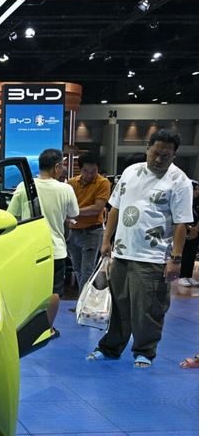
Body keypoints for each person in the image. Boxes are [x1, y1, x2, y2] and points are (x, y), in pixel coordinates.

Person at [88, 129, 193, 368]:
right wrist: (107, 239)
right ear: (148, 148)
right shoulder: (130, 172)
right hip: (123, 252)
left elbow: (181, 223)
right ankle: (110, 348)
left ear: (174, 156)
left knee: (149, 309)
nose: (159, 159)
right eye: (155, 153)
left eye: (166, 156)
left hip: (154, 257)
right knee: (118, 305)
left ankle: (144, 351)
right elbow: (114, 208)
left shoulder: (180, 181)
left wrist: (175, 259)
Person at [8, 149, 79, 338]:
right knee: (54, 291)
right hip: (55, 249)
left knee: (27, 289)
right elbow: (74, 213)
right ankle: (46, 328)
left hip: (28, 249)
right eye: (62, 165)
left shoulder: (24, 187)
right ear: (56, 167)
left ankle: (22, 327)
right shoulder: (66, 189)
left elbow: (11, 216)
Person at [67, 153, 111, 297]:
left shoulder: (103, 183)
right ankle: (85, 298)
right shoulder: (72, 183)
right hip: (73, 231)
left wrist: (75, 212)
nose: (90, 175)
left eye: (94, 171)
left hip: (92, 232)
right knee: (77, 269)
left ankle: (82, 302)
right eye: (86, 171)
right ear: (80, 169)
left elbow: (97, 208)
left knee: (87, 270)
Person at [178, 180, 199, 286]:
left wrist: (196, 229)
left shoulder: (198, 203)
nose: (199, 191)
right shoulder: (185, 202)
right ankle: (182, 276)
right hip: (186, 231)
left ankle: (189, 276)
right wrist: (190, 228)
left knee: (191, 255)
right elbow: (182, 218)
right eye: (197, 189)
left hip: (196, 232)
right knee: (185, 254)